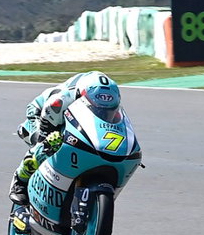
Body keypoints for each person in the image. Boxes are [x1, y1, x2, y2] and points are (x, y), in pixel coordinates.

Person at [8, 71, 122, 205]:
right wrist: (46, 140)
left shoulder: (108, 100)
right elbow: (47, 131)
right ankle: (20, 179)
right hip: (43, 114)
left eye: (107, 111)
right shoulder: (60, 101)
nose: (103, 113)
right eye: (100, 110)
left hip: (71, 114)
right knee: (50, 143)